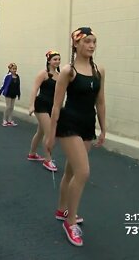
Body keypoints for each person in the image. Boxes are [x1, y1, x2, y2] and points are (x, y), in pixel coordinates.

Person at [46, 27, 106, 247]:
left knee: (71, 171)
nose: (91, 45)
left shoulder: (99, 70)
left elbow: (100, 102)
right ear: (76, 44)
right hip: (69, 124)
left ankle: (62, 209)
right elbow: (56, 105)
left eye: (94, 42)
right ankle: (70, 222)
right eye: (87, 41)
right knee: (83, 171)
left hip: (87, 125)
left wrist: (104, 128)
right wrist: (50, 136)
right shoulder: (67, 71)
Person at [27, 51, 61, 171]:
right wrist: (31, 105)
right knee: (50, 133)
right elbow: (35, 88)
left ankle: (32, 153)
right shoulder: (43, 74)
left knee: (41, 132)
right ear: (49, 61)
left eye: (58, 59)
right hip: (41, 105)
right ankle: (48, 160)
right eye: (54, 59)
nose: (57, 61)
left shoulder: (59, 75)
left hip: (52, 106)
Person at [0, 62, 21, 127]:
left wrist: (18, 94)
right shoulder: (7, 76)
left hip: (14, 93)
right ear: (10, 69)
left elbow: (18, 86)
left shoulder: (17, 76)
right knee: (8, 107)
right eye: (13, 69)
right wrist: (0, 92)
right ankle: (4, 120)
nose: (14, 70)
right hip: (8, 92)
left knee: (12, 107)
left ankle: (10, 120)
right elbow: (4, 85)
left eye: (15, 69)